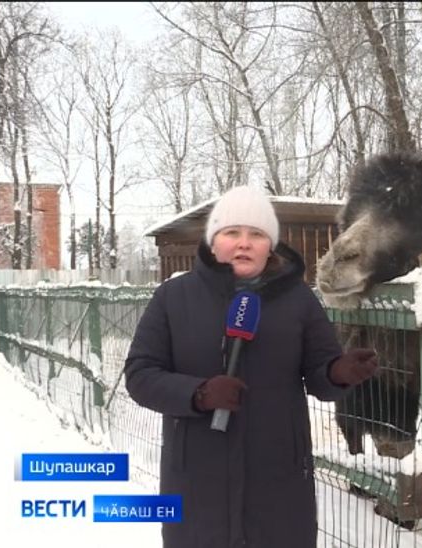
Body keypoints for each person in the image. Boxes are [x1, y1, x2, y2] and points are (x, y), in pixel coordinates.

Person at [124, 185, 379, 548]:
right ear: (213, 242)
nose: (244, 243)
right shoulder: (173, 297)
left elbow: (321, 374)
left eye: (256, 234)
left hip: (279, 487)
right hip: (196, 484)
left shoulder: (298, 300)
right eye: (232, 233)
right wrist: (198, 393)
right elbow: (140, 375)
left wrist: (339, 372)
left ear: (269, 246)